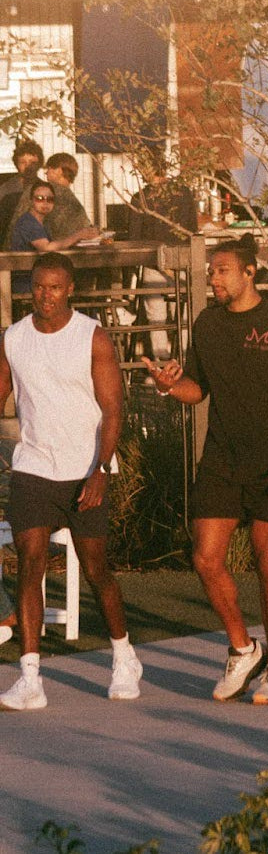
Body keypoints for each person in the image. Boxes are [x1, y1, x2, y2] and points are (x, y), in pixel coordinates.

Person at [143, 234, 268, 704]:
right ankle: (243, 647)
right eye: (211, 272)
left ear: (249, 273)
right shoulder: (207, 323)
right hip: (222, 458)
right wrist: (168, 385)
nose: (214, 278)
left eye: (222, 271)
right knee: (205, 558)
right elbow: (196, 390)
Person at [0, 252, 141, 709]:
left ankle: (123, 655)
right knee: (30, 564)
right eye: (39, 286)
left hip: (85, 470)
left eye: (55, 287)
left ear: (70, 290)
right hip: (34, 468)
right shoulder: (14, 338)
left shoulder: (92, 338)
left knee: (97, 570)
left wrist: (101, 468)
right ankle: (30, 678)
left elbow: (114, 409)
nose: (45, 295)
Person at [128, 160, 199, 359]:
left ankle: (162, 366)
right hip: (182, 262)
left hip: (153, 263)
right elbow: (193, 231)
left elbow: (134, 240)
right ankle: (186, 362)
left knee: (156, 319)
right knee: (184, 319)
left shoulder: (140, 198)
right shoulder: (184, 193)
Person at [9, 180, 98, 293]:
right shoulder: (28, 222)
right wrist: (78, 235)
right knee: (83, 281)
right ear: (31, 201)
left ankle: (93, 307)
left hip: (38, 276)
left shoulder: (41, 222)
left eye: (49, 199)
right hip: (27, 281)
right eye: (39, 199)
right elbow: (46, 247)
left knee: (87, 277)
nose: (45, 203)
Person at [0, 139, 44, 244]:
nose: (28, 166)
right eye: (23, 162)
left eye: (32, 163)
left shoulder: (45, 189)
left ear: (39, 164)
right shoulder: (5, 189)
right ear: (16, 164)